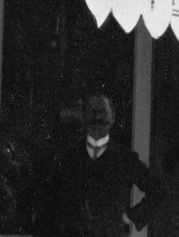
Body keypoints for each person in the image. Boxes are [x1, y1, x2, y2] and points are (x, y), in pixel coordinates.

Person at [40, 95, 161, 236]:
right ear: (84, 118)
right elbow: (50, 205)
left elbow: (158, 190)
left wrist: (130, 216)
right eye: (91, 112)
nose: (97, 118)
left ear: (113, 118)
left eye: (103, 112)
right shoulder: (68, 159)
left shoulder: (125, 159)